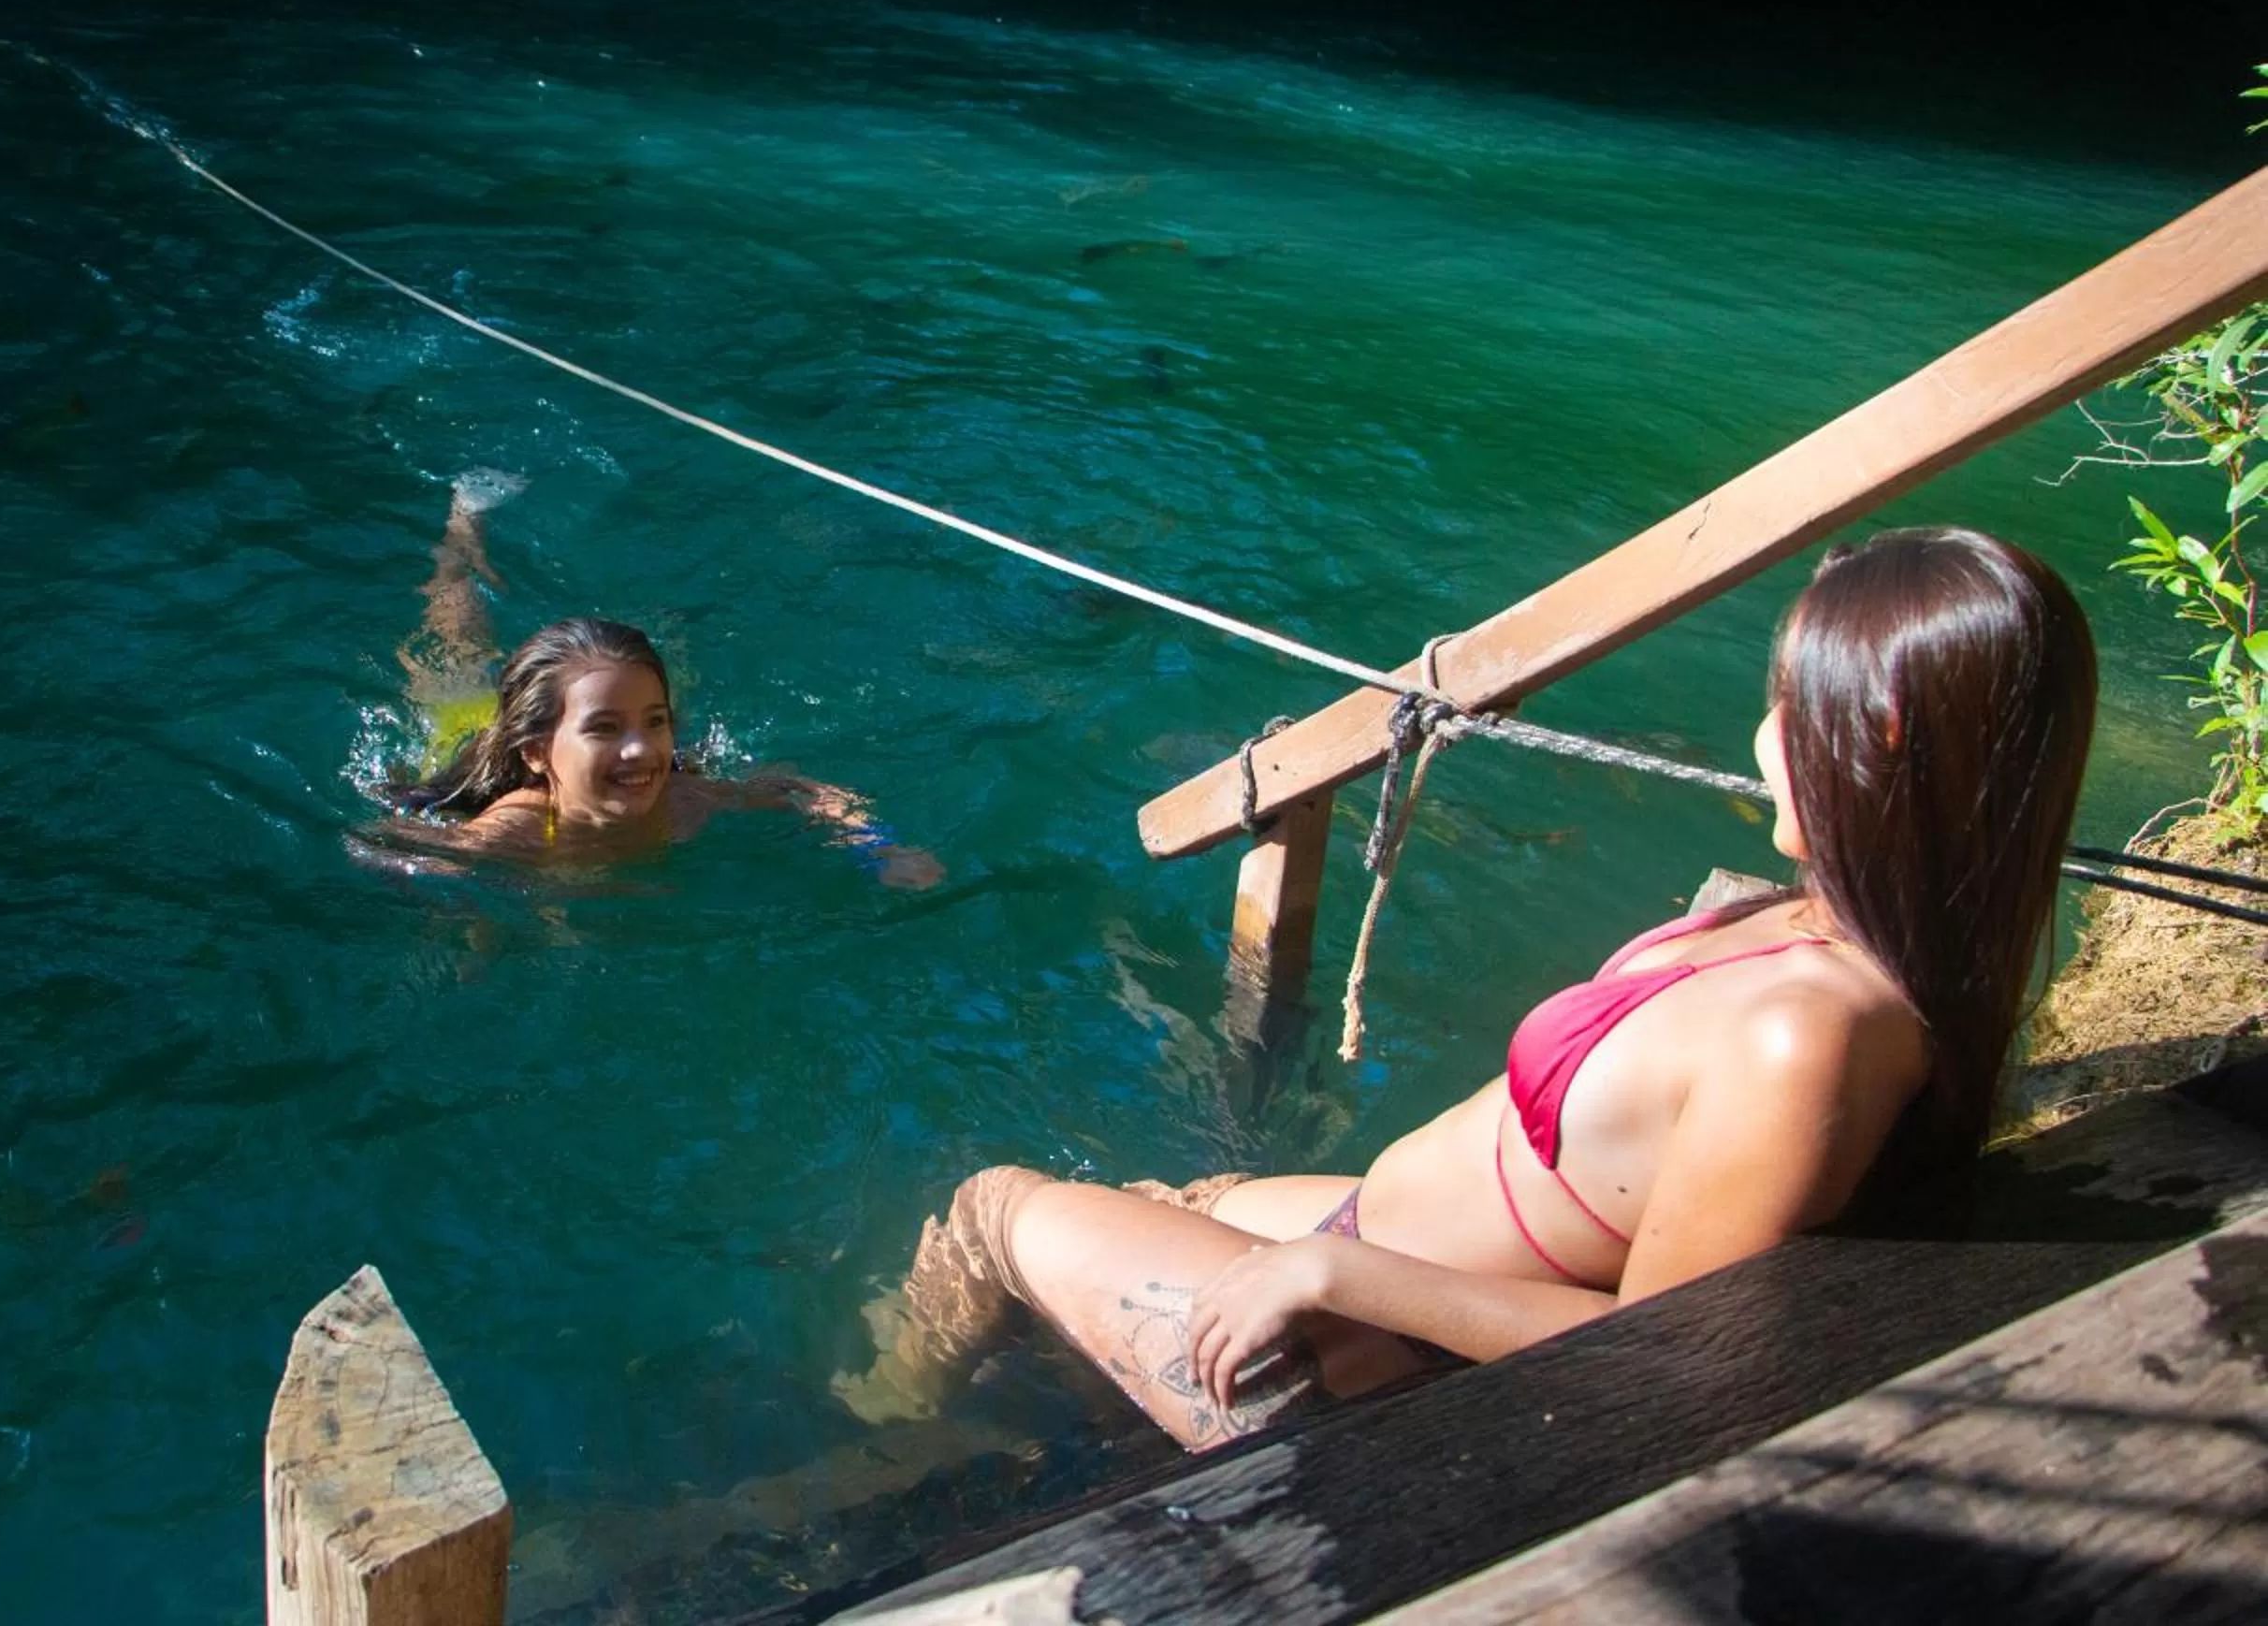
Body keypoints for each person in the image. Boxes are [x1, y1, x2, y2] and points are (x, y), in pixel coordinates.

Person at [836, 527, 2095, 1448]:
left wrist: (1337, 1281)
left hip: (1360, 1369)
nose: (1761, 737)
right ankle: (973, 1407)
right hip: (1370, 1265)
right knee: (1171, 1200)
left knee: (993, 1209)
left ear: (1872, 734)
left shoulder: (1805, 1038)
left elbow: (1676, 1368)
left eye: (1784, 704)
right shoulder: (1837, 933)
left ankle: (874, 1441)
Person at [355, 472, 942, 888]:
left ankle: (656, 647)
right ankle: (465, 527)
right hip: (465, 728)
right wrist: (430, 875)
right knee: (457, 646)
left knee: (650, 664)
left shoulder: (684, 801)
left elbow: (802, 792)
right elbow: (375, 844)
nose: (640, 748)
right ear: (535, 752)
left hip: (562, 717)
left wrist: (879, 849)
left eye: (655, 723)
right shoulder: (520, 829)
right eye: (606, 729)